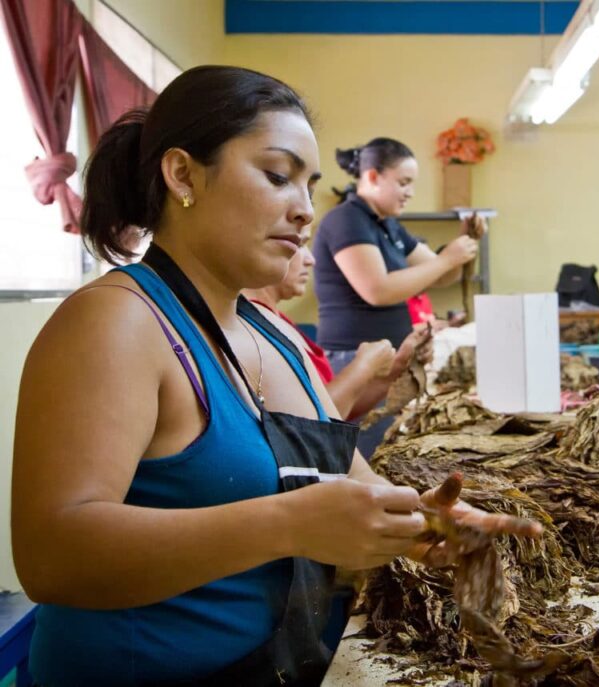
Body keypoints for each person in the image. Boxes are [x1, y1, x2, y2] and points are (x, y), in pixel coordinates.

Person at [12, 65, 540, 687]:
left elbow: (353, 483)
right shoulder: (118, 322)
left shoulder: (276, 335)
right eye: (276, 176)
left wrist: (418, 524)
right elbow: (52, 558)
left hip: (278, 665)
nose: (304, 211)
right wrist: (288, 524)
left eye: (310, 186)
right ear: (183, 174)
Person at [314, 138, 480, 455]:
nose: (410, 192)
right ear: (374, 177)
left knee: (384, 452)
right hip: (354, 359)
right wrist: (448, 258)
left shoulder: (389, 226)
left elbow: (443, 275)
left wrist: (463, 243)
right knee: (360, 454)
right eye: (403, 183)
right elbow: (377, 289)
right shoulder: (346, 219)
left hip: (388, 360)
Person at [242, 223, 430, 421]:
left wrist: (397, 367)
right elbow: (313, 424)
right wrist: (363, 366)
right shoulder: (256, 331)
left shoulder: (280, 322)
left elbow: (338, 411)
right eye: (300, 245)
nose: (311, 260)